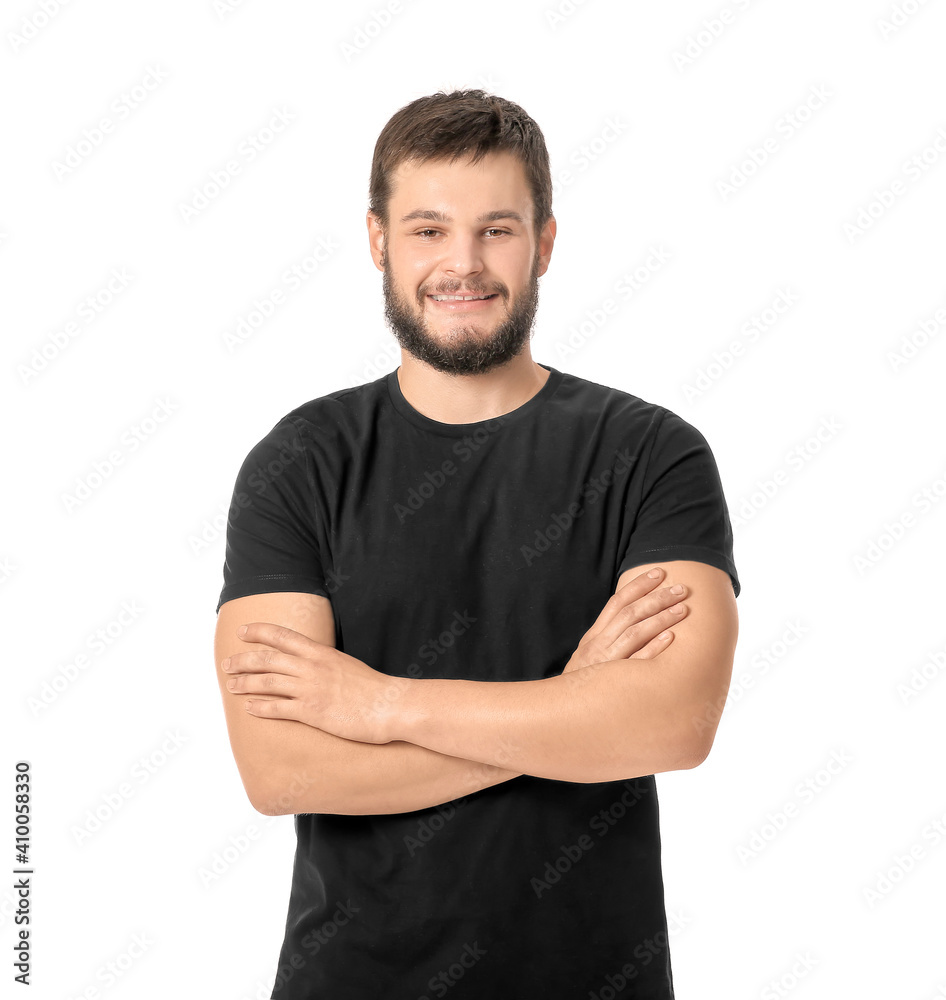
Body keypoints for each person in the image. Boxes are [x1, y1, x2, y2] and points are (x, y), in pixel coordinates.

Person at [213, 88, 740, 999]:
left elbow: (674, 724)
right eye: (428, 230)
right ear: (379, 241)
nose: (462, 263)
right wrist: (573, 709)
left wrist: (381, 707)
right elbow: (282, 768)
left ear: (544, 242)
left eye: (496, 229)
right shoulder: (298, 462)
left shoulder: (652, 453)